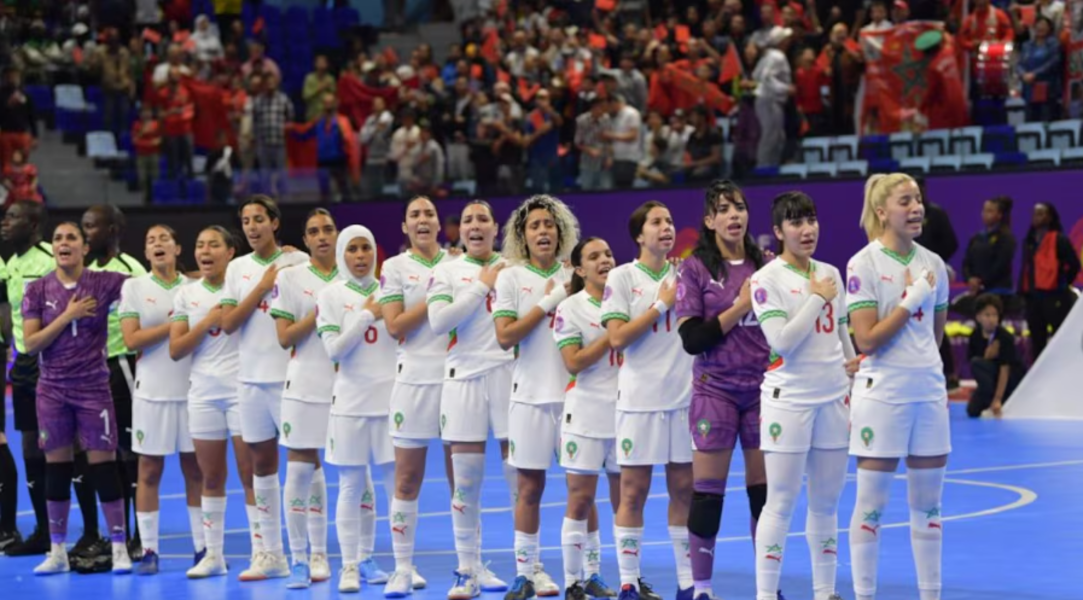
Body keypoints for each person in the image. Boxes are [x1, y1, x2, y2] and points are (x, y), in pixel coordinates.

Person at [845, 173, 951, 600]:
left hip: (927, 392)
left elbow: (936, 338)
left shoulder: (935, 264)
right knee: (871, 506)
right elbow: (866, 339)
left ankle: (931, 595)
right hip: (882, 396)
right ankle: (864, 595)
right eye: (905, 201)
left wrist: (919, 301)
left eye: (919, 199)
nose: (916, 208)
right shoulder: (863, 264)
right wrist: (909, 302)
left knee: (929, 508)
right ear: (882, 211)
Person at [751, 192, 859, 600]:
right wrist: (817, 297)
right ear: (778, 232)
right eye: (795, 222)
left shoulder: (830, 271)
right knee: (780, 501)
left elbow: (843, 336)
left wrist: (853, 376)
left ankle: (824, 591)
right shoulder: (766, 279)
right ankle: (765, 595)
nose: (807, 228)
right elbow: (782, 341)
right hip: (789, 400)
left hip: (833, 398)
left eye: (811, 219)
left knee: (827, 503)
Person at [674, 182, 769, 600]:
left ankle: (767, 586)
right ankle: (703, 589)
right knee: (708, 493)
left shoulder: (765, 265)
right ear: (709, 220)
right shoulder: (694, 269)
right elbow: (693, 340)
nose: (735, 215)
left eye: (740, 208)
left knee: (764, 495)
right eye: (724, 209)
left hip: (763, 392)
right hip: (716, 390)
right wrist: (740, 307)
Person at [22, 222, 132, 575]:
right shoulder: (37, 289)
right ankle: (57, 551)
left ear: (85, 248)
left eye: (71, 238)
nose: (63, 243)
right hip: (52, 390)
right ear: (52, 247)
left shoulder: (105, 282)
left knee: (103, 466)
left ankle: (118, 548)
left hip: (93, 388)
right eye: (57, 238)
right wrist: (68, 315)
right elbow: (30, 343)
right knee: (57, 466)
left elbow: (156, 284)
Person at [601, 201, 692, 600]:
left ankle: (688, 581)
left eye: (670, 221)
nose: (666, 228)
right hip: (638, 399)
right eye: (656, 222)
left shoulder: (688, 273)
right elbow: (617, 338)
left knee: (684, 490)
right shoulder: (622, 277)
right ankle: (628, 581)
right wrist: (661, 304)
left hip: (684, 398)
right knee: (633, 491)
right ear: (640, 235)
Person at [426, 200, 514, 600]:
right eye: (467, 221)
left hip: (510, 379)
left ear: (496, 228)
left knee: (520, 479)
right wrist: (483, 284)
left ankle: (530, 568)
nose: (475, 226)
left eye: (483, 220)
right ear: (458, 231)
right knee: (466, 482)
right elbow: (439, 322)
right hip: (463, 380)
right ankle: (466, 571)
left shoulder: (515, 268)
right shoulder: (446, 271)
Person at [494, 195, 580, 600]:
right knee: (529, 487)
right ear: (522, 236)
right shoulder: (510, 278)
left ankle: (584, 574)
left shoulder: (577, 275)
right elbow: (505, 335)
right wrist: (550, 300)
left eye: (549, 224)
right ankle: (527, 573)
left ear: (560, 232)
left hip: (575, 399)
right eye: (535, 226)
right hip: (528, 397)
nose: (543, 231)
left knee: (581, 487)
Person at [219, 195, 309, 581]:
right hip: (250, 380)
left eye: (259, 219)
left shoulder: (299, 262)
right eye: (245, 221)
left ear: (275, 222)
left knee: (305, 465)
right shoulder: (237, 268)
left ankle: (309, 554)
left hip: (291, 379)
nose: (252, 227)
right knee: (261, 467)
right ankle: (270, 553)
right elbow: (227, 323)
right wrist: (260, 287)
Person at [168, 226, 254, 578]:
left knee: (252, 475)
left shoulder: (245, 286)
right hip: (202, 394)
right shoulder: (187, 295)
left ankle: (263, 551)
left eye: (213, 245)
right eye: (200, 245)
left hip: (242, 392)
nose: (205, 251)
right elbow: (175, 350)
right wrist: (206, 322)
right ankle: (214, 554)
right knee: (211, 476)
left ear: (230, 252)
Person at [379, 196, 454, 596]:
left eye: (428, 214)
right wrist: (441, 296)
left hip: (458, 382)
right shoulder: (394, 267)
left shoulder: (458, 263)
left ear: (439, 224)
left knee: (465, 480)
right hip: (412, 382)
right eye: (414, 215)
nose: (422, 220)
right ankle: (403, 568)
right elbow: (394, 326)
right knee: (406, 479)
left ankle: (469, 565)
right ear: (405, 227)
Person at [118, 225, 204, 574]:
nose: (157, 244)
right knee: (149, 471)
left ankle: (204, 547)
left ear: (178, 248)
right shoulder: (134, 287)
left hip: (192, 392)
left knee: (195, 471)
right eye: (150, 240)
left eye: (164, 239)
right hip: (151, 393)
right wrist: (176, 325)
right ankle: (149, 550)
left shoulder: (195, 289)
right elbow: (130, 340)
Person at [316, 225, 397, 593]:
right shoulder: (330, 296)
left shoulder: (390, 291)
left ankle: (395, 564)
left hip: (391, 402)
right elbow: (334, 350)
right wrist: (365, 315)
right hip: (349, 403)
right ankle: (349, 565)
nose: (361, 256)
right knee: (351, 485)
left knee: (395, 487)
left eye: (366, 248)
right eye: (353, 250)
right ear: (342, 256)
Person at [270, 208, 340, 588]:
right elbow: (284, 337)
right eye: (314, 231)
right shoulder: (291, 278)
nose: (322, 236)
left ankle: (323, 554)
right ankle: (300, 558)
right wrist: (320, 312)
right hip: (302, 385)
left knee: (349, 470)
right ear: (306, 240)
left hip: (346, 389)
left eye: (328, 229)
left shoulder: (355, 275)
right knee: (299, 468)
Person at [552, 237, 621, 600]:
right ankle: (572, 582)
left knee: (625, 500)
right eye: (594, 257)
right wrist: (613, 336)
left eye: (608, 254)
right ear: (579, 269)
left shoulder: (628, 299)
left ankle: (602, 576)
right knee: (580, 498)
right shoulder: (571, 308)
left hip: (626, 411)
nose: (604, 260)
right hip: (585, 411)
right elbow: (573, 361)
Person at [83, 204, 149, 563]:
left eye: (91, 226)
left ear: (111, 230)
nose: (85, 233)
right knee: (102, 455)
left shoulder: (129, 271)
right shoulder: (83, 270)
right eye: (83, 226)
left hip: (121, 367)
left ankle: (141, 533)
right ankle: (117, 535)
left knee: (129, 452)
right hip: (89, 373)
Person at [0, 200, 54, 557]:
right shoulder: (12, 265)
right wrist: (9, 348)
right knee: (30, 445)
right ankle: (42, 530)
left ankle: (64, 530)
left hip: (54, 366)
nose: (4, 222)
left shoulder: (51, 259)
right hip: (23, 368)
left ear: (33, 223)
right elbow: (7, 313)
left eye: (12, 217)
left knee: (62, 447)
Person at [1019, 201, 1081, 360]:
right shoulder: (1030, 241)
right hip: (1034, 298)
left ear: (1050, 217)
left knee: (1060, 338)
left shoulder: (1059, 239)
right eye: (1035, 213)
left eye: (1041, 213)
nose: (1036, 217)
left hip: (1054, 297)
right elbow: (1026, 268)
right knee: (1037, 340)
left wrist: (1062, 284)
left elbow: (1074, 264)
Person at [966, 294, 1024, 418]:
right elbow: (975, 366)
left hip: (1009, 380)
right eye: (987, 315)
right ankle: (987, 397)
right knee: (972, 411)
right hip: (989, 380)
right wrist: (988, 356)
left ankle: (1000, 399)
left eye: (995, 315)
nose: (991, 319)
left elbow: (1005, 370)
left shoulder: (1005, 337)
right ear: (978, 317)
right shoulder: (974, 336)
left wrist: (997, 399)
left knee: (978, 363)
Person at [962, 197, 1017, 314]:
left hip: (999, 291)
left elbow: (1001, 265)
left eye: (990, 211)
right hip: (979, 291)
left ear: (999, 215)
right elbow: (967, 262)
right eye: (984, 210)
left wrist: (981, 282)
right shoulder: (977, 238)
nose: (985, 214)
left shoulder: (1006, 238)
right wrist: (970, 279)